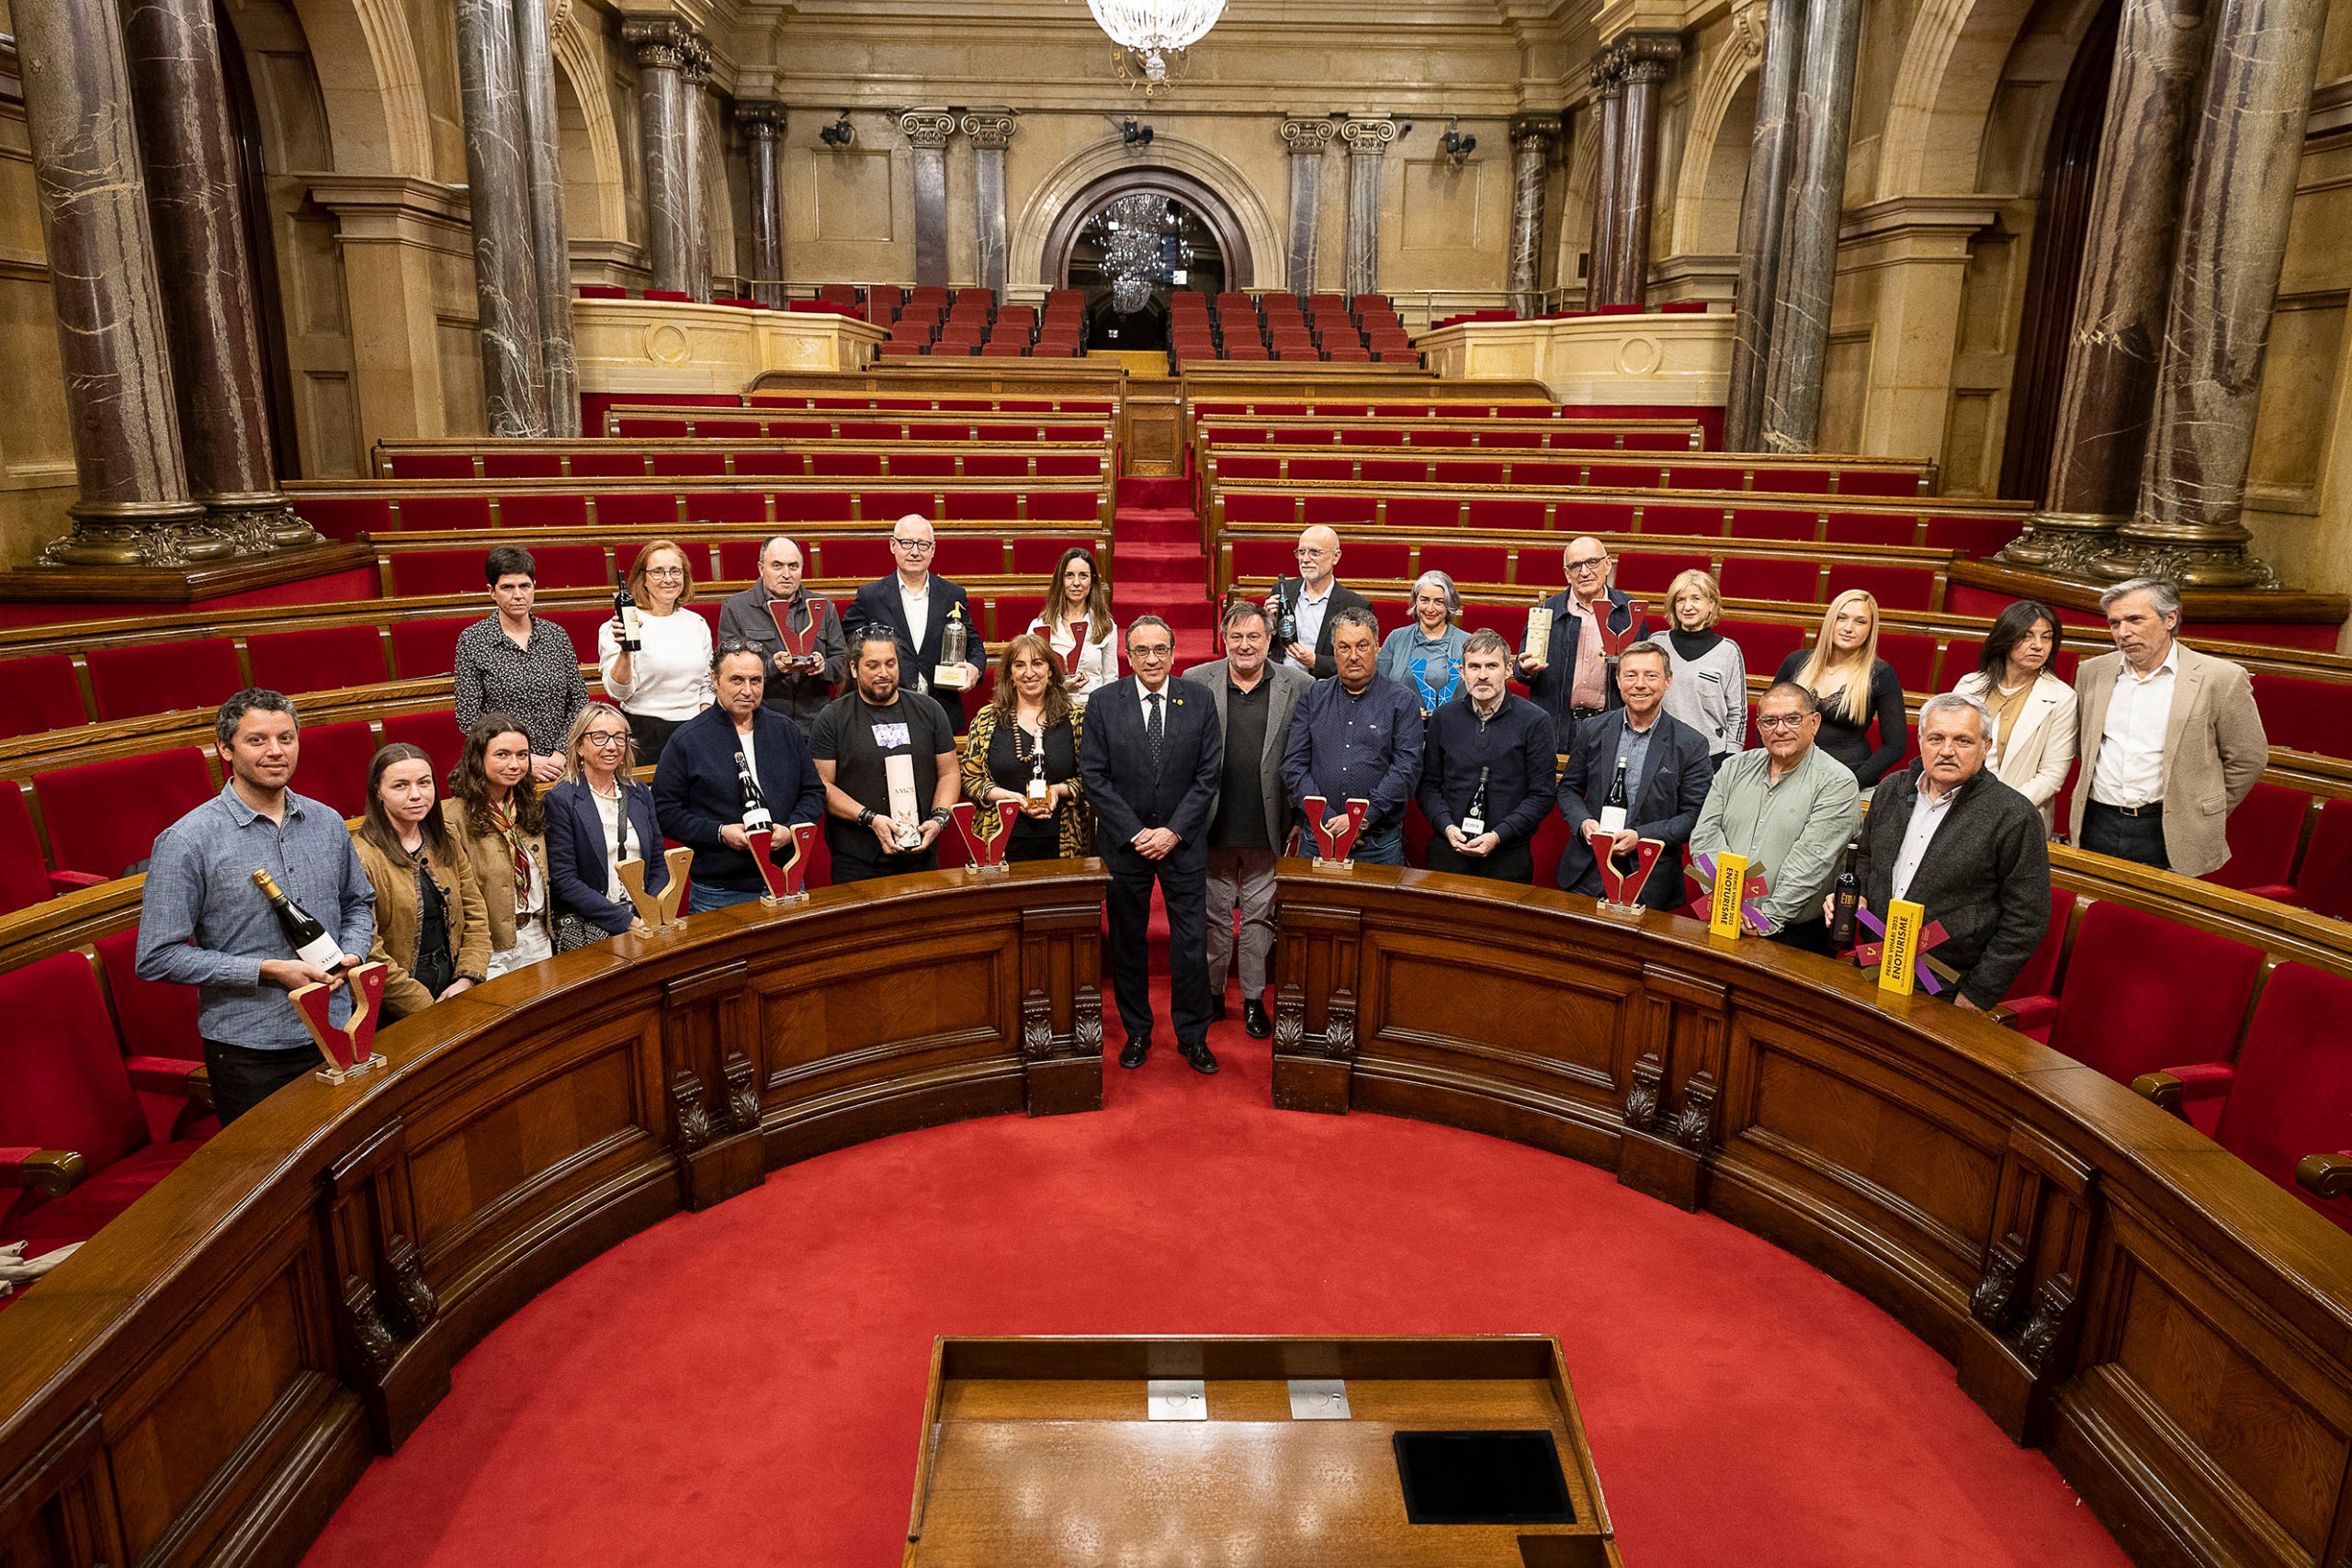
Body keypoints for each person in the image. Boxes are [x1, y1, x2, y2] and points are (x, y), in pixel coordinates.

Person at [135, 690, 375, 1124]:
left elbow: (358, 903)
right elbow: (157, 956)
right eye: (257, 740)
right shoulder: (188, 841)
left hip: (338, 1029)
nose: (275, 751)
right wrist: (267, 969)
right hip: (252, 1050)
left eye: (286, 738)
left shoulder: (327, 821)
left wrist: (353, 952)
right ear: (224, 749)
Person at [1837, 693, 2052, 1010]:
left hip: (1947, 987)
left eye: (1962, 741)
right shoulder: (1891, 790)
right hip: (1874, 966)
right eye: (1936, 738)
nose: (1947, 751)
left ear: (1986, 746)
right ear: (1921, 739)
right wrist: (1863, 893)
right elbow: (1868, 857)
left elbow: (2027, 919)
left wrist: (1977, 994)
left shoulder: (2014, 816)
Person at [1080, 616, 1226, 1072]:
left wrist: (1173, 831)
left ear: (1174, 652)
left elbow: (1208, 776)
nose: (1151, 659)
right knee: (1127, 943)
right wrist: (1136, 832)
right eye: (1141, 651)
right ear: (1127, 655)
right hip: (1126, 846)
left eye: (1160, 649)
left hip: (1182, 843)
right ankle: (1137, 1032)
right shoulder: (1104, 703)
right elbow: (1094, 776)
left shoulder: (1199, 699)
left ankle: (1193, 1036)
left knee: (1190, 943)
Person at [2070, 578, 2269, 875]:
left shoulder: (2220, 678)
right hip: (2097, 821)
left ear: (2170, 618)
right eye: (2115, 623)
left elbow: (2248, 757)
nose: (2123, 633)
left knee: (2156, 921)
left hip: (2168, 828)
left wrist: (2200, 808)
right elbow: (2082, 745)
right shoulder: (2092, 671)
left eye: (2135, 619)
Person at [1184, 600, 1312, 1036]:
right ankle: (1214, 994)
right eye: (1236, 637)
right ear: (1224, 639)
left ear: (1270, 638)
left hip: (1268, 823)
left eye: (1254, 636)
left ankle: (1254, 1000)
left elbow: (1304, 754)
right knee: (1215, 916)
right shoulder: (1196, 680)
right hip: (1212, 822)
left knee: (1259, 918)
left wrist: (1298, 813)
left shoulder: (1299, 685)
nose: (1245, 645)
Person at [1689, 681, 1863, 953]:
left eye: (1792, 719)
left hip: (1795, 938)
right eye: (1769, 721)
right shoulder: (1733, 768)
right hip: (1724, 920)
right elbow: (1705, 836)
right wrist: (1728, 902)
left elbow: (1811, 861)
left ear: (1814, 722)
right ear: (1759, 727)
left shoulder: (1838, 782)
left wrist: (1765, 918)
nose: (1780, 729)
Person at [654, 643, 827, 909]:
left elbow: (813, 792)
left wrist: (792, 828)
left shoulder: (785, 730)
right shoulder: (687, 740)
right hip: (720, 891)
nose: (748, 690)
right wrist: (720, 833)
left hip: (786, 879)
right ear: (714, 679)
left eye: (755, 680)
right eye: (737, 680)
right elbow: (665, 811)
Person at [1553, 640, 1712, 905]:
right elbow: (1568, 790)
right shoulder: (1593, 729)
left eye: (1651, 675)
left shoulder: (1691, 744)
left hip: (1650, 880)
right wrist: (1584, 824)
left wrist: (1641, 837)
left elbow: (1694, 816)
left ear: (1668, 681)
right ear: (1617, 681)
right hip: (1586, 874)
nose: (1640, 684)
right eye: (1630, 675)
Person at [350, 743, 491, 1020]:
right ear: (378, 791)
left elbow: (476, 913)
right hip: (396, 1001)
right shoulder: (361, 855)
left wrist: (467, 979)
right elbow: (369, 950)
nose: (416, 795)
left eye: (424, 783)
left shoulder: (446, 837)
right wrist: (423, 1006)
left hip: (455, 984)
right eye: (400, 785)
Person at [811, 628, 962, 883]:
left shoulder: (930, 710)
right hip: (856, 860)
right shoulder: (832, 717)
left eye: (890, 664)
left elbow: (949, 773)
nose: (884, 673)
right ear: (855, 668)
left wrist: (939, 819)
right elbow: (822, 786)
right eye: (873, 665)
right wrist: (869, 819)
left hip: (920, 856)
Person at [1280, 608, 1424, 867]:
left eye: (1362, 646)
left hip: (1378, 844)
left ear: (1377, 648)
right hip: (1317, 837)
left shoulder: (1402, 701)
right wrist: (1327, 819)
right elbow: (1293, 765)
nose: (1354, 656)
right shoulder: (1312, 697)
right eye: (1344, 647)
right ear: (1334, 652)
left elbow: (1406, 770)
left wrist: (1361, 819)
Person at [1419, 629, 1557, 883]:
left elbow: (1542, 795)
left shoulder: (1536, 721)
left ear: (1508, 669)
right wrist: (1447, 827)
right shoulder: (1442, 718)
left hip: (1507, 854)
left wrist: (1498, 835)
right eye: (1474, 666)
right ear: (1461, 672)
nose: (1482, 675)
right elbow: (1428, 786)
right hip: (1448, 850)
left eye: (1492, 666)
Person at [453, 544, 589, 784]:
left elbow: (578, 700)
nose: (518, 595)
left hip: (562, 766)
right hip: (506, 771)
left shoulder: (556, 635)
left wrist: (561, 752)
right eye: (507, 587)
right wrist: (524, 759)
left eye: (524, 586)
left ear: (534, 587)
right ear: (491, 591)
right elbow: (469, 717)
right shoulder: (473, 640)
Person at [842, 513, 985, 734]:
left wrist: (975, 668)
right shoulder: (870, 596)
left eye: (923, 544)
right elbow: (847, 644)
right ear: (893, 545)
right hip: (885, 713)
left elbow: (975, 645)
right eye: (906, 543)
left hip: (942, 713)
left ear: (933, 549)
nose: (915, 551)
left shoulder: (953, 594)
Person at [544, 704, 666, 948]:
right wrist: (625, 921)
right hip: (594, 925)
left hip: (645, 919)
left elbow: (658, 862)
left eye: (619, 737)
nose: (611, 746)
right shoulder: (561, 799)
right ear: (579, 745)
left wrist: (648, 909)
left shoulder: (639, 792)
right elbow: (565, 880)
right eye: (599, 737)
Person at [1950, 599, 2077, 832]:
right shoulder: (1969, 685)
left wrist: (2000, 808)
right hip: (1957, 806)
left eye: (2046, 637)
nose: (2038, 645)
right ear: (2006, 638)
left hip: (2016, 816)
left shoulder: (2061, 697)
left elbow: (2051, 776)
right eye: (2027, 636)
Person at [960, 634, 1091, 861]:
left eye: (1037, 664)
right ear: (1010, 674)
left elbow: (1092, 779)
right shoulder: (985, 719)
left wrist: (1058, 790)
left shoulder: (1077, 718)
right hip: (999, 840)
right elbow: (970, 780)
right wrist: (1008, 797)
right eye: (1019, 665)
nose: (1029, 673)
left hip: (1065, 842)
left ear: (1051, 671)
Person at [444, 713, 553, 978]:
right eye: (502, 755)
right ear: (478, 758)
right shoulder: (453, 818)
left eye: (522, 755)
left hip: (537, 934)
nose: (514, 764)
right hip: (489, 947)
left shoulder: (528, 805)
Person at [1519, 536, 1648, 744]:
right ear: (1567, 574)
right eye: (1576, 566)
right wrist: (1526, 671)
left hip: (1611, 723)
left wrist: (1622, 665)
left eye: (1592, 562)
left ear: (1607, 565)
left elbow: (1646, 670)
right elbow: (1521, 670)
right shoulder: (1547, 610)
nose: (1585, 572)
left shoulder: (1629, 610)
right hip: (1557, 726)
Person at [717, 535, 847, 736]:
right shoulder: (736, 608)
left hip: (815, 723)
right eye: (777, 566)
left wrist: (824, 667)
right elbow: (728, 671)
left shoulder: (823, 607)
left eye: (793, 566)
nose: (786, 574)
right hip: (759, 722)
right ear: (761, 568)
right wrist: (772, 668)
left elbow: (843, 663)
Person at [1775, 590, 1907, 787]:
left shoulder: (1880, 674)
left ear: (1871, 629)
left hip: (1846, 777)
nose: (1848, 628)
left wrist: (1853, 782)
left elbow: (1895, 746)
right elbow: (1767, 719)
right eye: (1841, 618)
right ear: (1830, 621)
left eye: (1860, 622)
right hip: (1789, 774)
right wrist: (1777, 764)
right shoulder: (1796, 661)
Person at [598, 538, 713, 762]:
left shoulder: (696, 622)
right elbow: (618, 693)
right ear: (643, 579)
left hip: (695, 728)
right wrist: (625, 652)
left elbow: (708, 682)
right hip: (646, 733)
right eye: (658, 572)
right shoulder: (621, 624)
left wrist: (706, 717)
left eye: (675, 571)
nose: (668, 579)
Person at [1657, 569, 1748, 771]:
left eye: (1696, 599)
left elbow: (1738, 711)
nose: (1687, 607)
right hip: (1661, 750)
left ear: (1711, 604)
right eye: (1680, 600)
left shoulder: (1728, 651)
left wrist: (1731, 757)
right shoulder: (1657, 643)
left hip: (1710, 755)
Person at [1268, 524, 1372, 679]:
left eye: (1314, 552)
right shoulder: (1283, 590)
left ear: (1336, 556)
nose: (1305, 559)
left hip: (1324, 688)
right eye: (1301, 552)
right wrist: (1270, 624)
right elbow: (1267, 646)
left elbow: (1359, 662)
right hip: (1279, 683)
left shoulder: (1355, 605)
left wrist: (1315, 662)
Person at [1026, 546, 1119, 699]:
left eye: (1083, 576)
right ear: (1061, 580)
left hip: (1092, 710)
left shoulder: (1106, 626)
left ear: (1092, 581)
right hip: (1051, 706)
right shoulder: (1039, 626)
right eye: (1069, 575)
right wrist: (1062, 688)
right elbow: (1030, 678)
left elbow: (1110, 680)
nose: (1076, 583)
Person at [1377, 570, 1469, 716]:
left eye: (1439, 602)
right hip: (1402, 724)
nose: (1430, 608)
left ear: (1449, 604)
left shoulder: (1468, 643)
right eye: (1424, 600)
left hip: (1455, 726)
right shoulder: (1396, 638)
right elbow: (1379, 688)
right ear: (1415, 602)